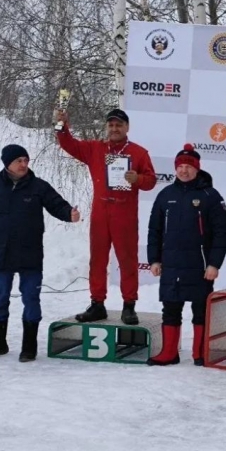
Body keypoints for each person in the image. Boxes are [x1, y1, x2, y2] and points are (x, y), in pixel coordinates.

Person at [0, 145, 80, 362]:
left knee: (31, 299)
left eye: (26, 160)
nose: (24, 164)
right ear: (8, 163)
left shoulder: (38, 186)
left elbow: (57, 205)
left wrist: (69, 214)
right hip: (0, 252)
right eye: (19, 161)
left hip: (30, 253)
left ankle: (29, 347)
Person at [54, 107, 155, 325]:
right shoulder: (95, 148)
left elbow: (151, 181)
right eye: (111, 125)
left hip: (124, 213)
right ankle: (97, 303)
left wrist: (137, 178)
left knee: (127, 260)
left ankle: (129, 305)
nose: (114, 129)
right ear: (106, 127)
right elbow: (69, 144)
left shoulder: (138, 152)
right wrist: (61, 125)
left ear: (127, 127)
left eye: (119, 125)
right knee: (97, 259)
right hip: (101, 211)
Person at [146, 144, 226, 366]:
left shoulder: (211, 196)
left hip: (200, 266)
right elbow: (154, 230)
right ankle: (169, 353)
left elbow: (222, 233)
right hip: (171, 265)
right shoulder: (165, 195)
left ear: (197, 168)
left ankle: (200, 353)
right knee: (170, 309)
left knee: (200, 309)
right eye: (180, 166)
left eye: (189, 166)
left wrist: (214, 264)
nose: (184, 170)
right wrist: (154, 259)